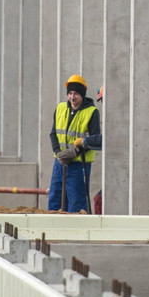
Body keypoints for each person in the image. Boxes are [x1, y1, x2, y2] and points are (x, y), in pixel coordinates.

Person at [48, 75, 101, 213]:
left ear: (82, 95)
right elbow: (53, 133)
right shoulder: (60, 108)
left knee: (77, 204)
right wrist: (58, 152)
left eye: (76, 94)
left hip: (79, 164)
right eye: (70, 93)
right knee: (55, 199)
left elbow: (95, 139)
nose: (72, 97)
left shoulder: (91, 112)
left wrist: (74, 152)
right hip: (59, 162)